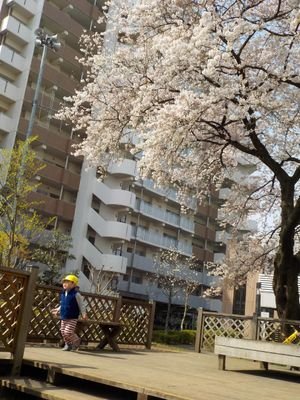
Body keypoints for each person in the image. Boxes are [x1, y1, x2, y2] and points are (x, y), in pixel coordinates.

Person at [51, 274, 87, 351]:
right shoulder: (63, 293)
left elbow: (82, 305)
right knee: (63, 331)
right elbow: (63, 304)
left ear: (73, 284)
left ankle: (76, 341)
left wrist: (84, 314)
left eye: (67, 282)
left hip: (72, 316)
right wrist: (57, 309)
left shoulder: (76, 294)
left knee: (68, 332)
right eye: (64, 282)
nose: (64, 284)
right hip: (64, 316)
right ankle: (68, 344)